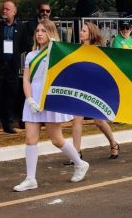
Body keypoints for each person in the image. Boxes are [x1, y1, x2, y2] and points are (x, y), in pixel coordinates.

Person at [13, 20, 90, 192]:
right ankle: (30, 178)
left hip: (50, 98)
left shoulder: (56, 53)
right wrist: (30, 99)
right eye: (38, 31)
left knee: (56, 139)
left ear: (51, 33)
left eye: (44, 31)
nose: (39, 34)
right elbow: (26, 79)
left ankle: (80, 163)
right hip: (33, 98)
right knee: (30, 139)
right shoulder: (31, 55)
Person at [68, 22, 120, 163]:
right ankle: (76, 153)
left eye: (84, 31)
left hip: (95, 89)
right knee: (76, 120)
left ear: (91, 33)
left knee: (99, 121)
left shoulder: (98, 50)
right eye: (81, 30)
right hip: (80, 88)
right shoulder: (77, 49)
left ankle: (114, 144)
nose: (81, 33)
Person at [0, 0, 30, 135]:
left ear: (14, 12)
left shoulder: (21, 27)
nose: (4, 11)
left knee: (10, 96)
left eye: (7, 9)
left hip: (12, 66)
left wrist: (15, 55)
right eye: (3, 9)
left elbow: (24, 45)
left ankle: (8, 124)